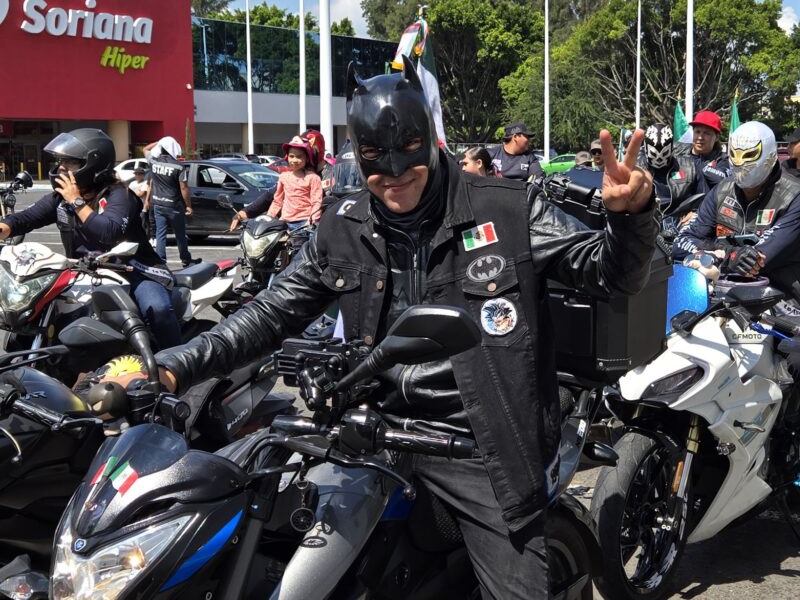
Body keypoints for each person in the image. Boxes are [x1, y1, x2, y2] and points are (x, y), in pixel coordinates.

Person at [126, 59, 656, 599]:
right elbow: (271, 312)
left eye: (409, 150)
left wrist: (630, 216)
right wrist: (173, 366)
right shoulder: (342, 225)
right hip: (368, 433)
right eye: (376, 157)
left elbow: (611, 275)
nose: (395, 171)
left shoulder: (509, 209)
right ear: (358, 154)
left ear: (430, 139)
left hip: (480, 448)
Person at [674, 120, 800, 476]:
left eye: (749, 157)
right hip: (722, 295)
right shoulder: (721, 192)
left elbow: (764, 255)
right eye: (735, 156)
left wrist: (713, 254)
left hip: (789, 298)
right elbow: (685, 239)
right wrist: (720, 255)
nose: (741, 165)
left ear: (767, 157)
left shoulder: (799, 197)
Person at [0, 129, 181, 349]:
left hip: (135, 271)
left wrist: (76, 202)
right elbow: (25, 219)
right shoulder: (61, 198)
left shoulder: (119, 195)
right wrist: (5, 228)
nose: (61, 169)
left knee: (158, 310)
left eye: (70, 163)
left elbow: (109, 231)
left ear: (93, 164)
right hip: (85, 273)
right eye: (60, 162)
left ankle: (172, 362)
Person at [143, 136, 195, 268]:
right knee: (180, 234)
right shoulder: (179, 166)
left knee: (160, 234)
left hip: (158, 204)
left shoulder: (153, 161)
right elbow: (184, 188)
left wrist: (159, 142)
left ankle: (161, 262)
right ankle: (186, 260)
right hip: (174, 205)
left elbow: (145, 149)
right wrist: (188, 206)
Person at [268, 136, 322, 229]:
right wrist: (268, 218)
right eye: (291, 156)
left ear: (307, 158)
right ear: (287, 157)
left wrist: (312, 222)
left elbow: (316, 202)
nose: (295, 160)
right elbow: (277, 201)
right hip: (285, 222)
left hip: (304, 223)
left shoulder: (313, 178)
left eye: (299, 157)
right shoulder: (283, 177)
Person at [673, 110, 730, 193]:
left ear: (717, 137)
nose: (700, 137)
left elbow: (722, 180)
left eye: (706, 133)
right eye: (697, 132)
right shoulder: (677, 153)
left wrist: (700, 167)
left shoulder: (722, 160)